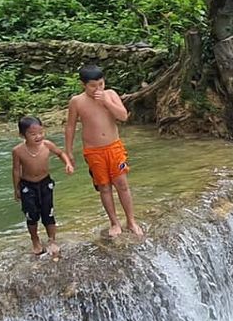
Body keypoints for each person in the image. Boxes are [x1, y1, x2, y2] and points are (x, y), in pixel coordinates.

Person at [65, 64, 143, 237]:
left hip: (114, 147)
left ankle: (131, 220)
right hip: (93, 151)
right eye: (93, 86)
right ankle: (114, 223)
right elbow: (70, 127)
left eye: (101, 84)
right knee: (104, 187)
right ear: (83, 85)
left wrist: (106, 102)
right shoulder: (77, 101)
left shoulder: (111, 95)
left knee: (122, 184)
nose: (98, 89)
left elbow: (123, 116)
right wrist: (68, 152)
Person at [11, 115, 74, 257]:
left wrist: (68, 163)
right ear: (22, 135)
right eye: (33, 134)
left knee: (48, 212)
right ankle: (35, 239)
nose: (38, 136)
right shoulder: (18, 151)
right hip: (27, 185)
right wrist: (16, 189)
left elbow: (60, 153)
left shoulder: (47, 145)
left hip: (45, 183)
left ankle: (52, 240)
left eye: (40, 132)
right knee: (31, 215)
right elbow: (16, 170)